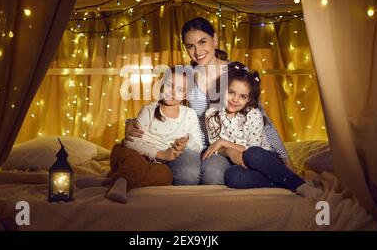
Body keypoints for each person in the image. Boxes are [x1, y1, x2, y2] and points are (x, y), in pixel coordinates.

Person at [126, 17, 288, 185]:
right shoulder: (185, 74)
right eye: (190, 46)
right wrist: (131, 122)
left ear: (215, 39)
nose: (197, 51)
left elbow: (262, 119)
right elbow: (163, 104)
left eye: (202, 42)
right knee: (199, 174)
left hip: (237, 144)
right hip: (201, 147)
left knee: (216, 175)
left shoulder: (237, 71)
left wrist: (285, 158)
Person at [203, 62, 322, 198]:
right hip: (240, 163)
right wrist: (227, 150)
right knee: (232, 176)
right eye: (231, 92)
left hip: (263, 158)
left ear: (248, 100)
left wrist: (225, 143)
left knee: (252, 154)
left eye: (243, 96)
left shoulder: (253, 114)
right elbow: (215, 147)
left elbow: (252, 148)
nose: (235, 99)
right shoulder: (211, 114)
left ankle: (300, 186)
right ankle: (286, 183)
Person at [106, 67, 203, 203]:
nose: (173, 92)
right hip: (132, 153)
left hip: (156, 164)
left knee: (165, 176)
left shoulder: (189, 114)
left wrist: (187, 142)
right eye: (170, 85)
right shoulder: (149, 111)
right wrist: (161, 155)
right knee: (136, 163)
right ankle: (120, 185)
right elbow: (131, 142)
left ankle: (113, 181)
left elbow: (198, 146)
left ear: (186, 95)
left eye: (181, 89)